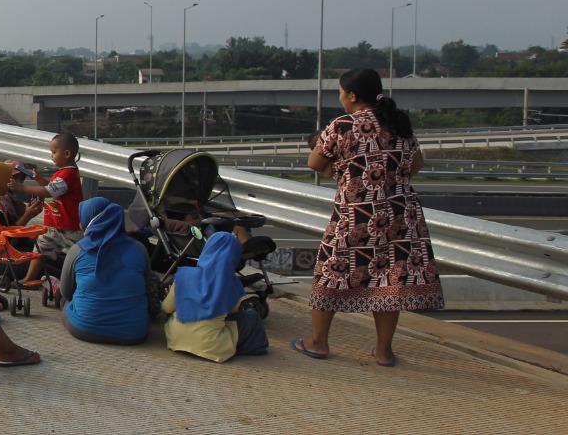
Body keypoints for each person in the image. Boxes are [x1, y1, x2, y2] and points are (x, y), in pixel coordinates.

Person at [292, 67, 444, 367]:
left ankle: (318, 342)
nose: (340, 97)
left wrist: (343, 172)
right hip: (401, 216)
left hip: (357, 214)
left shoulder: (343, 125)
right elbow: (416, 164)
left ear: (351, 95)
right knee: (389, 280)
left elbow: (314, 162)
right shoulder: (398, 122)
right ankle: (383, 352)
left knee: (331, 272)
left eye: (340, 92)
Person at [59, 197, 157, 345]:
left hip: (85, 329)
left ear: (88, 223)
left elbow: (66, 292)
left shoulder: (77, 250)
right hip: (134, 333)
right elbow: (148, 286)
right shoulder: (139, 249)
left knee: (65, 302)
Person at [162, 231, 268, 362]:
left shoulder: (184, 275)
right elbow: (233, 312)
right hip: (211, 346)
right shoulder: (233, 283)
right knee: (251, 316)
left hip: (175, 339)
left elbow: (166, 308)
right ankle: (253, 348)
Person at [14, 132, 84, 287]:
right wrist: (40, 180)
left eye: (54, 152)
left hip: (69, 227)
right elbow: (53, 188)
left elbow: (50, 191)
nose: (51, 156)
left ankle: (82, 283)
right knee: (39, 250)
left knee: (79, 256)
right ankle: (28, 278)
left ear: (66, 154)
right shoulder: (63, 172)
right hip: (54, 225)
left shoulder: (68, 174)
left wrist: (23, 187)